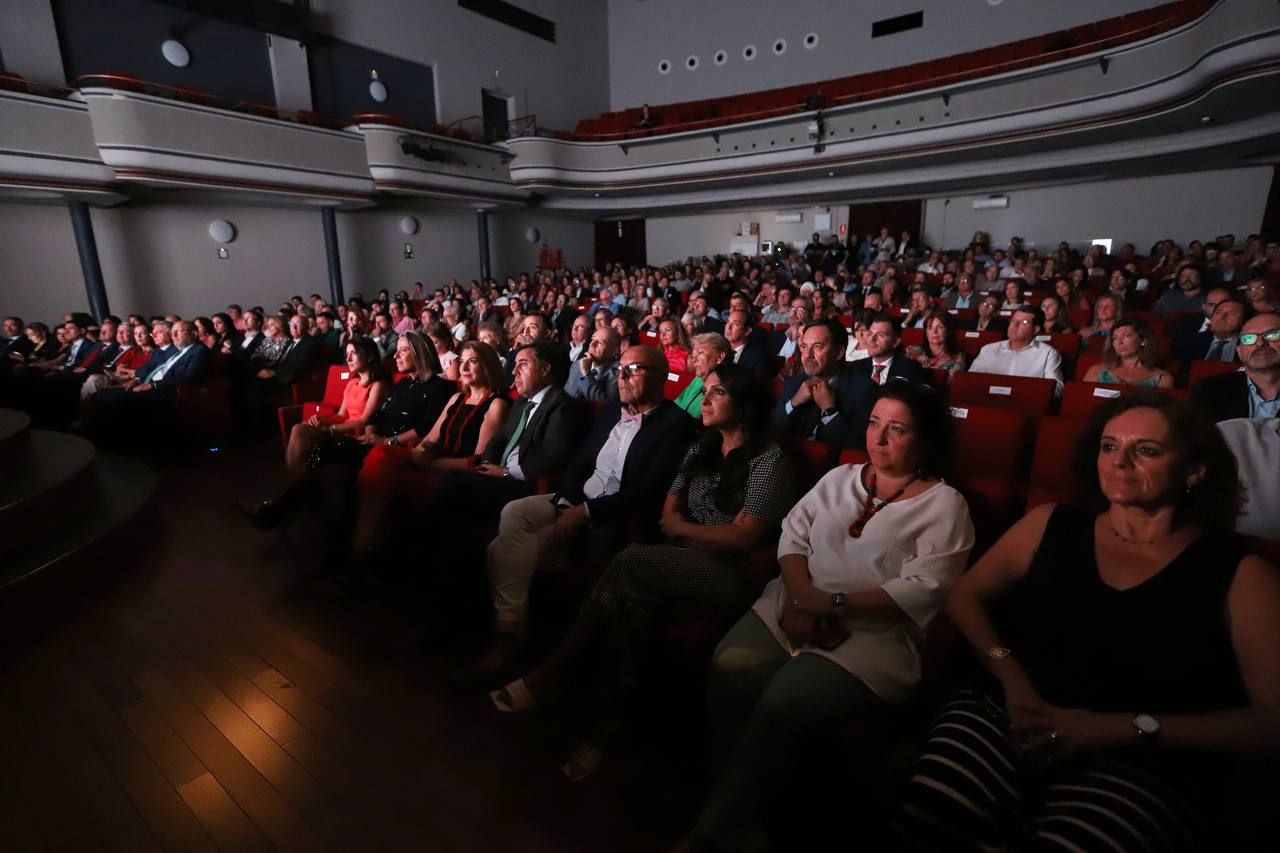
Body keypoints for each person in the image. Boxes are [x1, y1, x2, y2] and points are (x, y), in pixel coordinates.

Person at [895, 391, 1280, 852]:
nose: (1120, 461)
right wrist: (1010, 674)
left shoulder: (1243, 574)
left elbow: (1271, 720)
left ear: (1195, 471)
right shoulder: (1050, 523)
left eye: (1147, 450)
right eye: (1109, 446)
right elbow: (966, 596)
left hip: (1141, 761)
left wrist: (1121, 728)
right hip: (1008, 714)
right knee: (933, 815)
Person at [681, 380, 974, 852]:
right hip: (793, 604)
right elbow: (794, 535)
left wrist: (831, 605)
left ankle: (713, 834)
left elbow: (925, 586)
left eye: (895, 429)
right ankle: (741, 810)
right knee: (727, 668)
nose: (878, 439)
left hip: (871, 636)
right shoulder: (840, 478)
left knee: (784, 700)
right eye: (874, 423)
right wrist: (801, 597)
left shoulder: (945, 505)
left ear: (924, 440)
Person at [490, 364, 796, 782]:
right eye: (704, 391)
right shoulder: (701, 447)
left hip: (728, 573)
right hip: (677, 556)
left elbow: (745, 539)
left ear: (743, 405)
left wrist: (692, 530)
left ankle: (553, 672)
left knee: (632, 560)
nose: (703, 400)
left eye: (716, 392)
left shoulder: (769, 459)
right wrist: (705, 530)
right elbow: (669, 509)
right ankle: (606, 726)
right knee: (633, 603)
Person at [460, 345, 695, 684]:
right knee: (515, 511)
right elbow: (580, 463)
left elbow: (648, 490)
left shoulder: (675, 424)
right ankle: (517, 634)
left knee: (501, 549)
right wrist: (568, 506)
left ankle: (508, 638)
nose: (623, 376)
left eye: (635, 369)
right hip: (576, 500)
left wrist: (586, 512)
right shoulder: (612, 410)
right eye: (621, 369)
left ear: (661, 377)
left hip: (610, 514)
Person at [346, 338, 507, 559]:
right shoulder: (457, 397)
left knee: (383, 454)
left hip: (457, 471)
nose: (465, 367)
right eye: (463, 362)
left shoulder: (496, 403)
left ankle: (361, 549)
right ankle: (369, 546)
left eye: (473, 361)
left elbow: (478, 461)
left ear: (487, 365)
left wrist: (428, 462)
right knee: (380, 464)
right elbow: (430, 439)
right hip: (434, 461)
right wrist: (418, 454)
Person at [239, 337, 390, 528]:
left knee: (302, 435)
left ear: (369, 356)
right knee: (300, 428)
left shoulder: (378, 384)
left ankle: (285, 502)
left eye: (354, 353)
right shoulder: (353, 383)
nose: (349, 358)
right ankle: (290, 500)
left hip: (357, 435)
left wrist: (329, 429)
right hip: (341, 429)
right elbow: (342, 414)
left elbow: (363, 420)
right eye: (347, 354)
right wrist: (322, 420)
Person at [1191, 312, 1279, 421]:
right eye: (1248, 338)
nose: (1260, 343)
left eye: (1273, 334)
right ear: (1239, 352)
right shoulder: (1210, 390)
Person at [970, 306, 1065, 395]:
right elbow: (970, 380)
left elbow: (1057, 389)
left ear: (1035, 329)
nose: (1015, 325)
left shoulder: (1048, 353)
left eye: (1024, 322)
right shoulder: (988, 350)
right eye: (1013, 320)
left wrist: (1023, 390)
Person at [1081, 318, 1174, 388]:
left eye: (1126, 336)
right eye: (1114, 338)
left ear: (1143, 340)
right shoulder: (1096, 372)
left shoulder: (1163, 379)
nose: (1119, 342)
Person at [674, 332, 732, 417]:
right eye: (693, 355)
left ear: (720, 357)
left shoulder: (727, 388)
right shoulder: (697, 379)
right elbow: (677, 405)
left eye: (700, 353)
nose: (694, 360)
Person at [565, 326, 621, 401]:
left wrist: (587, 375)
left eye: (600, 343)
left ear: (613, 351)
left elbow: (605, 405)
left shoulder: (618, 375)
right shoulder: (576, 365)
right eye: (593, 339)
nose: (592, 344)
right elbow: (566, 396)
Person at [907, 311, 967, 376]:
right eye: (930, 328)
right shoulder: (915, 351)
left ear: (948, 331)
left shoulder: (958, 358)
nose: (934, 332)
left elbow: (950, 383)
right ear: (926, 332)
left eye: (940, 327)